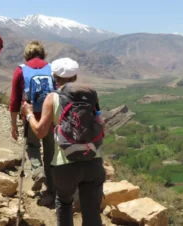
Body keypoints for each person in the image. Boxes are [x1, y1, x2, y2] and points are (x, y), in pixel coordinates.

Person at [21, 58, 106, 226]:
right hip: (93, 160)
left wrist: (29, 114)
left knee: (65, 203)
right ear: (75, 76)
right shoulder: (90, 95)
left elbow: (40, 132)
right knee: (91, 210)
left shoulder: (52, 98)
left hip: (65, 163)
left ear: (55, 77)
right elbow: (100, 123)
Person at [10, 41, 55, 206]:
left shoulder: (21, 70)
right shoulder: (51, 68)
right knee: (51, 151)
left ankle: (37, 171)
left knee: (32, 146)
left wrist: (14, 124)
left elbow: (15, 100)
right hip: (50, 117)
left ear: (26, 54)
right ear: (43, 53)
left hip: (31, 117)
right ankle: (52, 188)